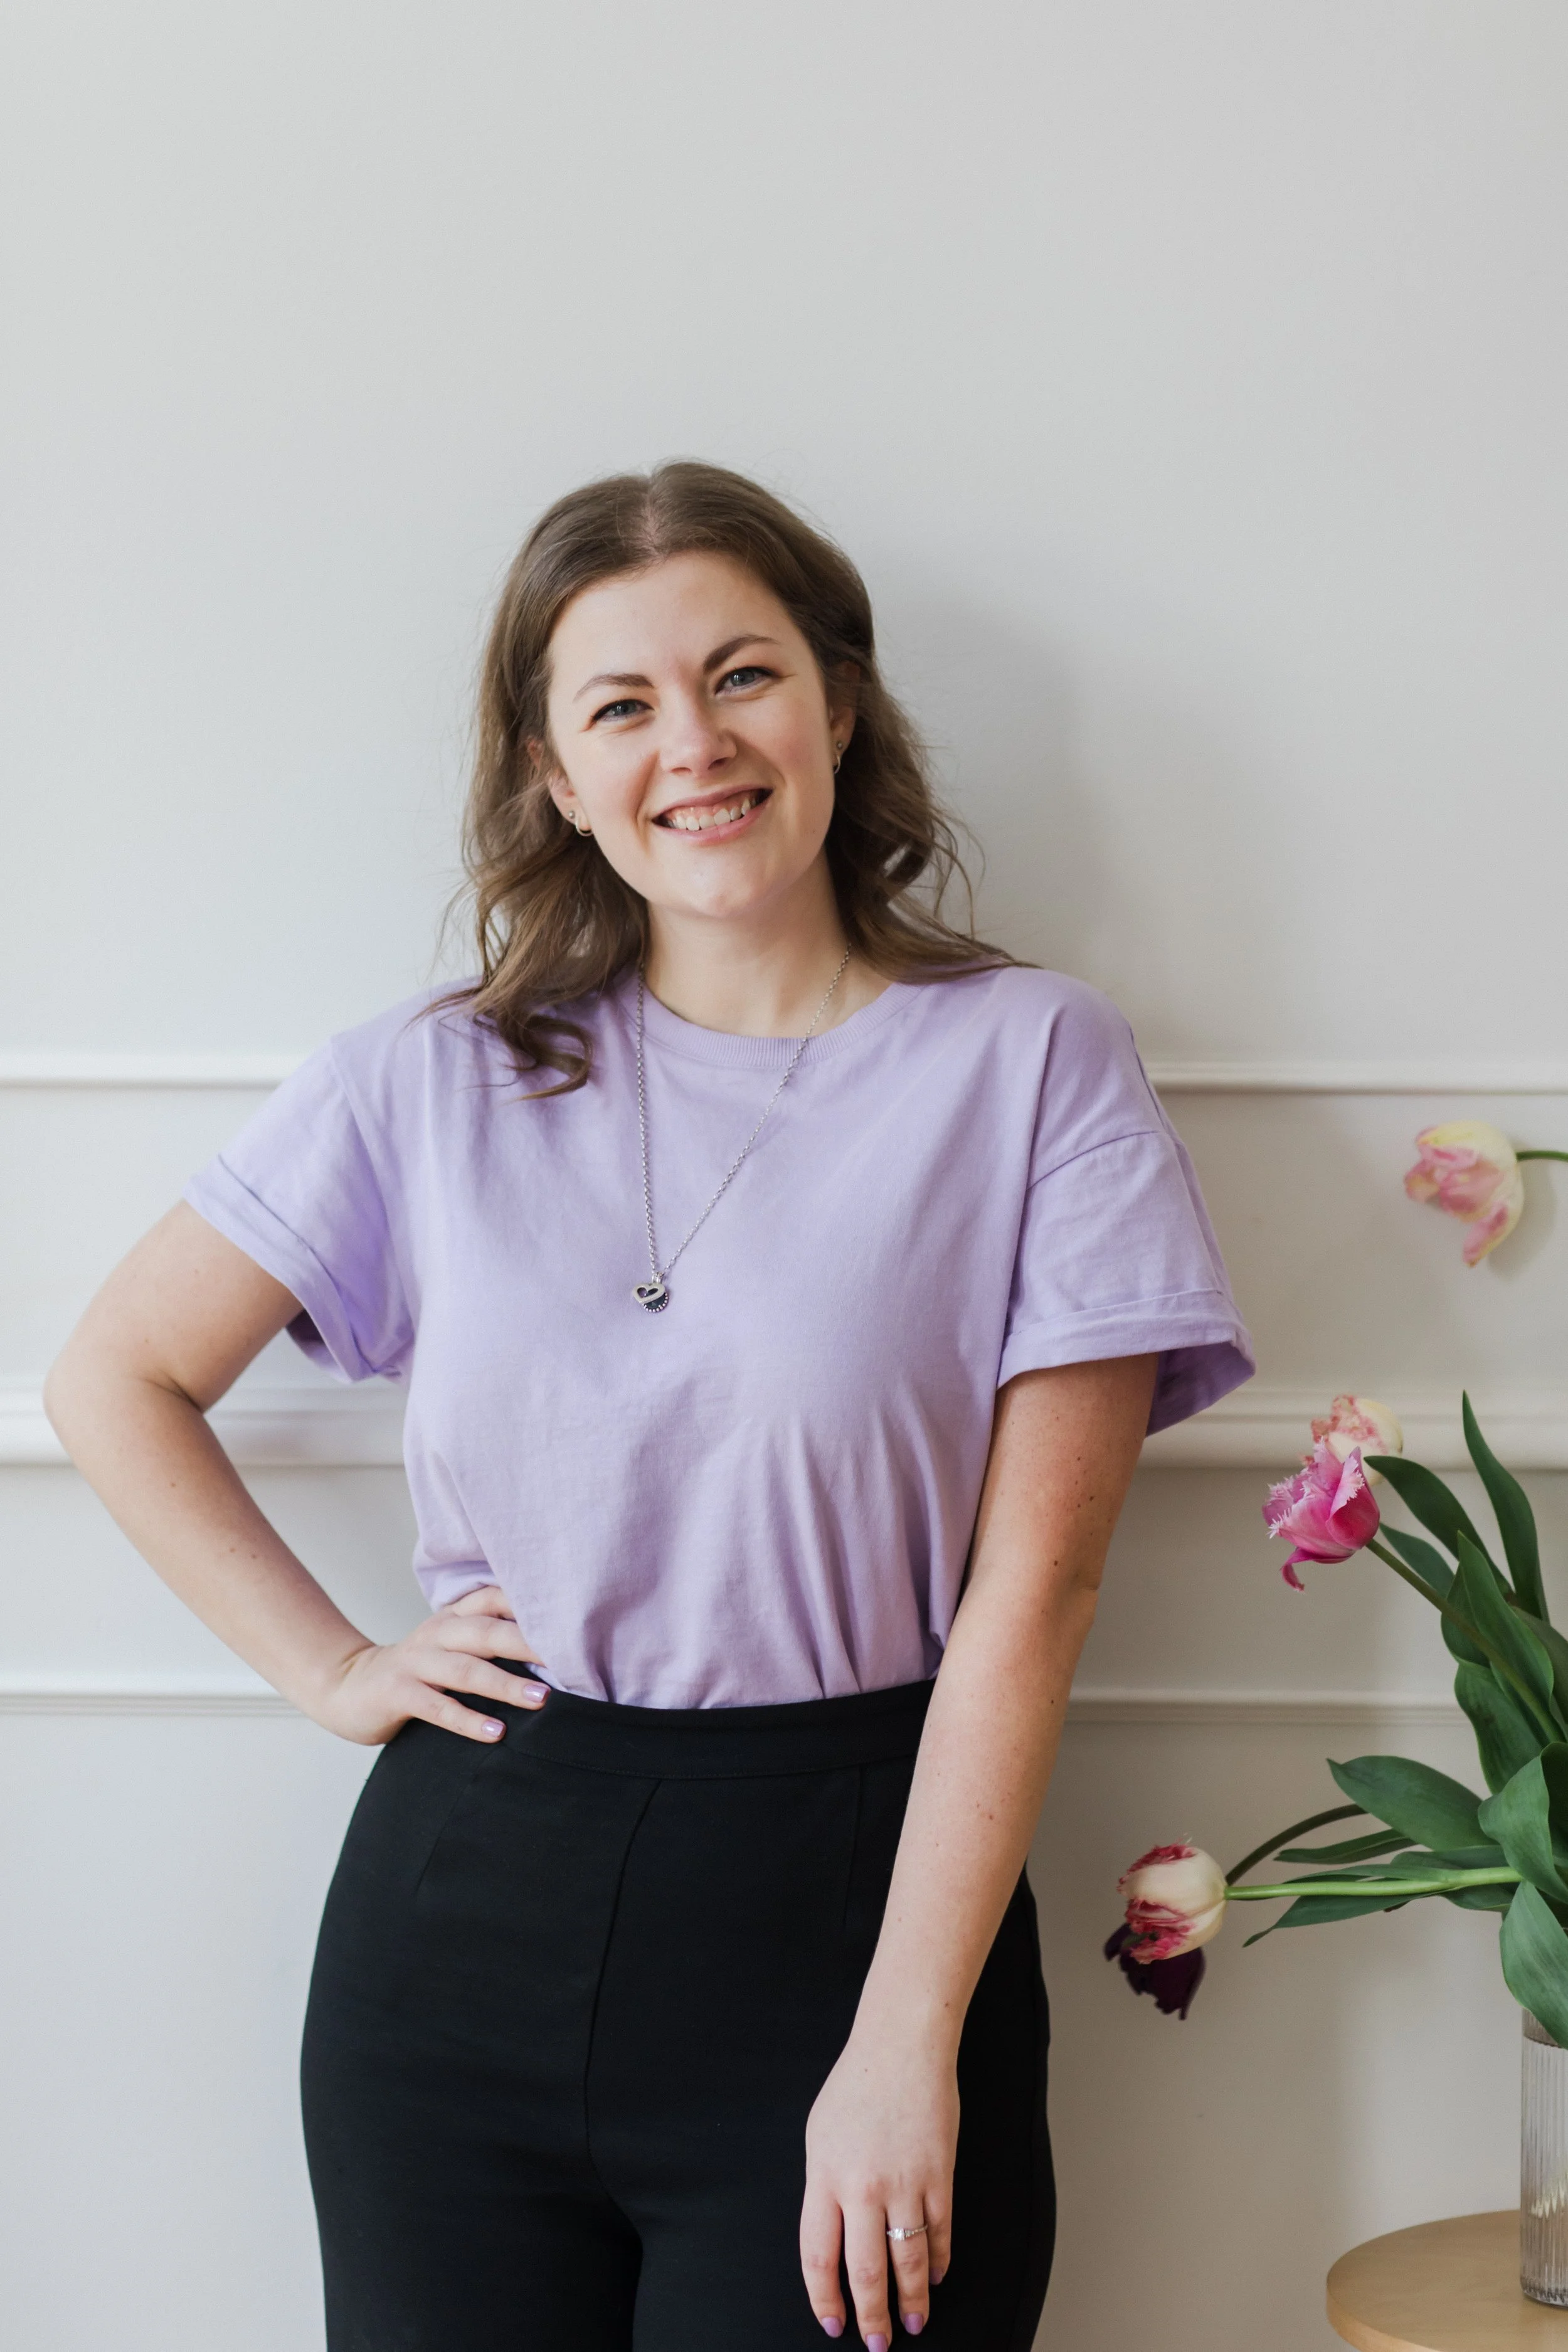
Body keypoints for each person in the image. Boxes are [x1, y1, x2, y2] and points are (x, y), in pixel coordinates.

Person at [45, 461, 1253, 2351]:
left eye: (741, 674)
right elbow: (110, 1374)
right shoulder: (423, 1081)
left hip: (851, 1903)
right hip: (455, 1926)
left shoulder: (1030, 1064)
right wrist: (336, 1666)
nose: (690, 743)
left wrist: (897, 2046)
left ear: (838, 703)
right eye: (618, 704)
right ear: (551, 770)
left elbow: (1034, 1596)